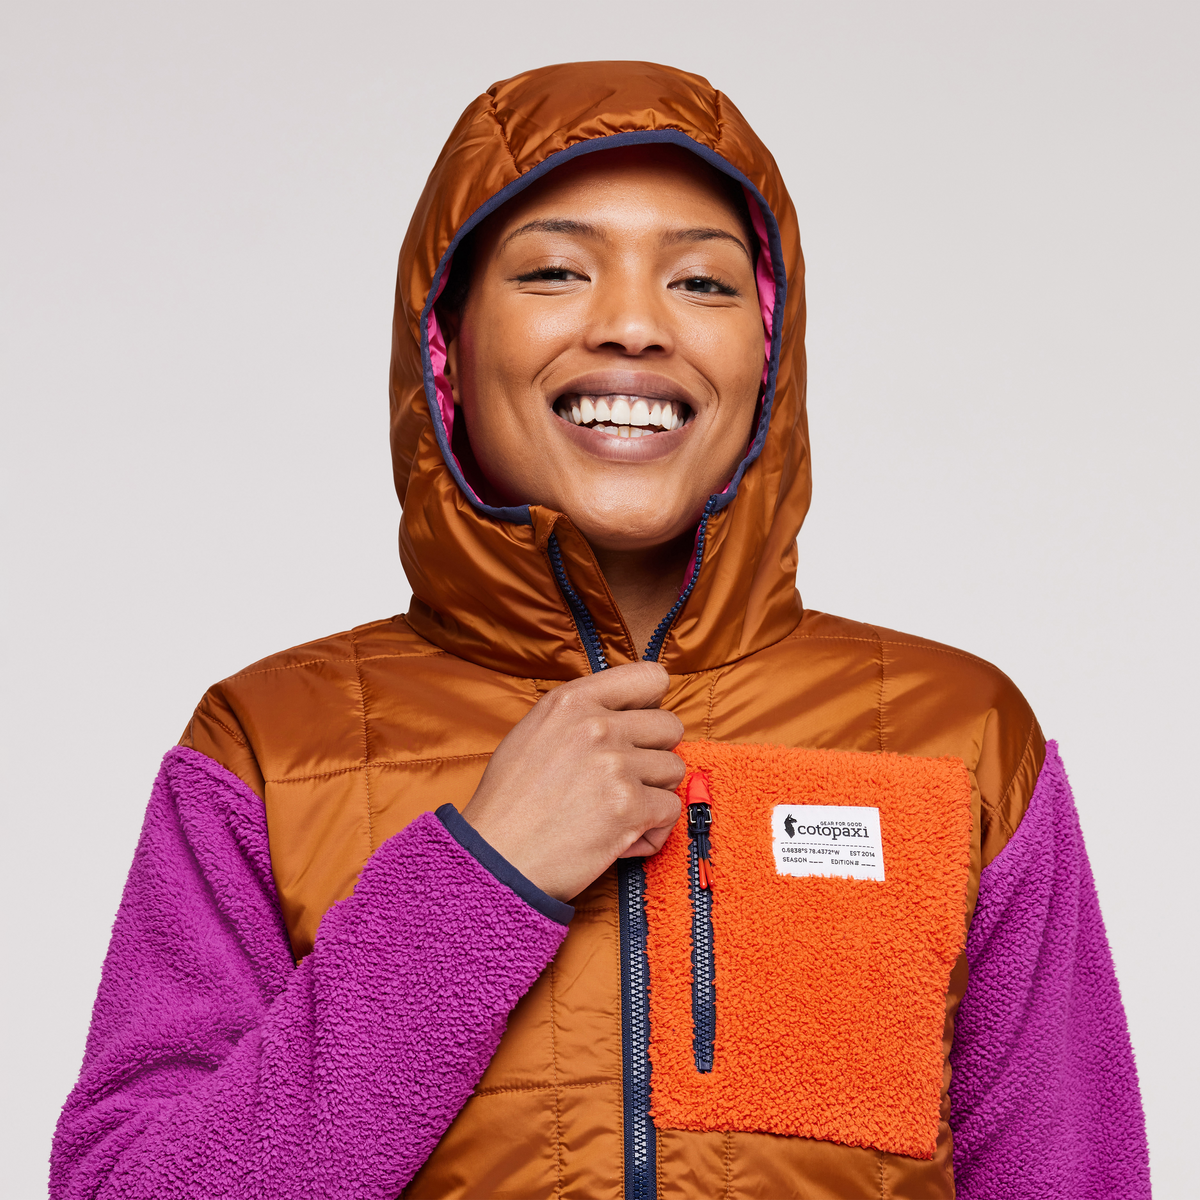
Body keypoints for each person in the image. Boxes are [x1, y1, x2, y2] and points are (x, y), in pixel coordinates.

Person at [50, 61, 1150, 1199]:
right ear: (446, 347)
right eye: (556, 271)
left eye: (703, 283)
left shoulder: (956, 740)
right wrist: (483, 878)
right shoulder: (268, 748)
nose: (632, 325)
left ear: (770, 356)